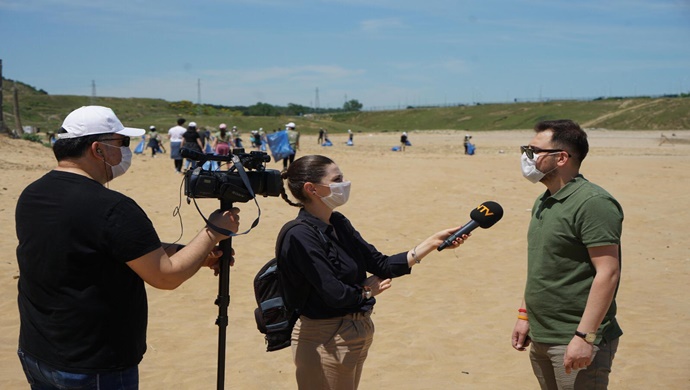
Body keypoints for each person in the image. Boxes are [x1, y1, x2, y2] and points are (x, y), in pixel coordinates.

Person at [15, 105, 241, 389]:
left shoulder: (34, 193)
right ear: (98, 150)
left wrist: (192, 252)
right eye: (121, 142)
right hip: (91, 363)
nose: (126, 149)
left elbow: (105, 246)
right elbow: (165, 276)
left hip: (38, 350)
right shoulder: (113, 207)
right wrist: (213, 231)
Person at [277, 155, 468, 389]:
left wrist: (431, 243)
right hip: (324, 338)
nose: (345, 183)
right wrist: (367, 292)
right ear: (312, 188)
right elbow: (335, 294)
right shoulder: (299, 234)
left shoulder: (338, 222)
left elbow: (381, 265)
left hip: (355, 333)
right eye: (337, 179)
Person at [511, 119, 624, 390]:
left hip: (574, 337)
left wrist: (585, 337)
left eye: (534, 151)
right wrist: (525, 314)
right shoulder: (544, 200)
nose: (527, 157)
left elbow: (608, 273)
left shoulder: (593, 203)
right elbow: (544, 264)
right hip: (542, 334)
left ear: (561, 158)